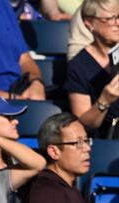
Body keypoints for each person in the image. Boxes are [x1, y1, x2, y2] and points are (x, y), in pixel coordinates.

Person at [64, 0, 119, 138]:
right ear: (89, 23)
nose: (117, 23)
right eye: (109, 19)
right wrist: (104, 102)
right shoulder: (79, 66)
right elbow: (83, 124)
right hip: (109, 138)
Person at [26, 113, 91, 203]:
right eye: (78, 143)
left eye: (86, 141)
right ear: (54, 152)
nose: (88, 148)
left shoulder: (68, 188)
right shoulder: (47, 193)